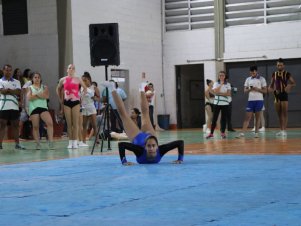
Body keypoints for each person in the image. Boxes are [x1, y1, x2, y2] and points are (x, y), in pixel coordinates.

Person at [101, 81, 184, 165]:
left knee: (124, 115)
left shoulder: (156, 149)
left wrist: (180, 159)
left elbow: (121, 145)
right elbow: (180, 142)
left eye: (153, 146)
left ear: (157, 147)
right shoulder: (141, 150)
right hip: (146, 136)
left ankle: (113, 88)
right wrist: (124, 161)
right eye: (149, 146)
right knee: (143, 114)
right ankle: (141, 88)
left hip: (137, 138)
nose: (151, 149)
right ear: (144, 147)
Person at [56, 64, 86, 149]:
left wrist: (82, 98)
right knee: (69, 124)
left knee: (75, 124)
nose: (71, 69)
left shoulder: (78, 79)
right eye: (69, 68)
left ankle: (75, 142)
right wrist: (60, 99)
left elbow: (85, 88)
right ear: (67, 70)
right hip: (66, 102)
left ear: (75, 70)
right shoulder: (63, 79)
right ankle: (70, 142)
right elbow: (58, 88)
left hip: (76, 102)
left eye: (73, 68)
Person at [236, 65, 267, 139]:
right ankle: (242, 133)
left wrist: (257, 89)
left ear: (256, 71)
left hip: (259, 100)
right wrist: (250, 89)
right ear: (250, 72)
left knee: (257, 117)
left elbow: (265, 91)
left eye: (254, 72)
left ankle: (256, 133)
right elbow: (245, 91)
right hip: (251, 101)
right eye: (251, 72)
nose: (252, 73)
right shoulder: (248, 79)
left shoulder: (262, 79)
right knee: (247, 117)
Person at [268, 58, 296, 136]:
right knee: (279, 114)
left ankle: (284, 130)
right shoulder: (274, 74)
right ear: (276, 65)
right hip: (276, 95)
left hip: (284, 94)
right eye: (278, 65)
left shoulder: (287, 73)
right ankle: (281, 130)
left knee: (284, 113)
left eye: (281, 65)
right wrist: (270, 89)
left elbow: (294, 83)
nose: (279, 66)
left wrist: (289, 86)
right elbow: (271, 84)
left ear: (283, 65)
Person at [0, 64, 25, 149]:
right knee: (2, 125)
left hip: (14, 106)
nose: (8, 72)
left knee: (15, 125)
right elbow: (2, 91)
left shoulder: (16, 81)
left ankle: (17, 144)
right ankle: (0, 144)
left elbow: (18, 92)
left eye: (10, 70)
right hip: (3, 106)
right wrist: (11, 91)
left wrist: (7, 90)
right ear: (3, 70)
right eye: (7, 70)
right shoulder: (0, 81)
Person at [27, 72, 54, 149]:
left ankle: (51, 142)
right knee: (35, 126)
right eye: (35, 77)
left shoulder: (44, 87)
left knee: (50, 123)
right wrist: (39, 95)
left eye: (38, 77)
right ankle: (38, 143)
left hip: (43, 107)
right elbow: (29, 98)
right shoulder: (29, 87)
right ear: (32, 79)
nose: (37, 79)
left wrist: (35, 95)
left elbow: (46, 96)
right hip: (34, 108)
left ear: (40, 78)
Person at [206, 71, 231, 139]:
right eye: (220, 75)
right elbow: (215, 92)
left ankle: (222, 133)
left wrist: (219, 93)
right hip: (217, 103)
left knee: (223, 119)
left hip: (225, 103)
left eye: (222, 75)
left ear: (225, 76)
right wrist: (221, 85)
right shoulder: (216, 83)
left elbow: (228, 94)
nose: (221, 77)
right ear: (219, 76)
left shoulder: (228, 84)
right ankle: (211, 133)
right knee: (214, 118)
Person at [80, 72, 99, 146]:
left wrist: (94, 98)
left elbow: (99, 98)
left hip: (91, 107)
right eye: (82, 80)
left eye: (85, 80)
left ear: (89, 80)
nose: (84, 82)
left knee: (94, 125)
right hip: (84, 107)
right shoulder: (81, 88)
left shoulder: (93, 87)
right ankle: (83, 141)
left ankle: (97, 139)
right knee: (84, 125)